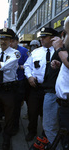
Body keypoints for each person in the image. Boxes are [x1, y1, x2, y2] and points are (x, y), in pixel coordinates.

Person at [24, 27, 58, 141]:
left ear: (53, 38)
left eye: (45, 37)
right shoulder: (36, 52)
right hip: (36, 87)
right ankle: (31, 131)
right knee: (32, 112)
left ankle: (46, 135)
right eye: (41, 37)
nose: (42, 39)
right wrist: (29, 77)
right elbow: (27, 66)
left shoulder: (59, 52)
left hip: (52, 89)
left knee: (48, 115)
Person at [52, 16, 69, 149]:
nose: (63, 36)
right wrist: (60, 63)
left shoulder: (62, 49)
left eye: (65, 32)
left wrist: (59, 49)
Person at [10, 35, 29, 135]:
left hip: (20, 81)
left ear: (17, 42)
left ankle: (15, 126)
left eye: (13, 41)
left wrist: (19, 67)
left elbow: (28, 65)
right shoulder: (6, 50)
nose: (11, 43)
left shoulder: (24, 51)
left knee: (17, 105)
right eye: (10, 41)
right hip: (8, 81)